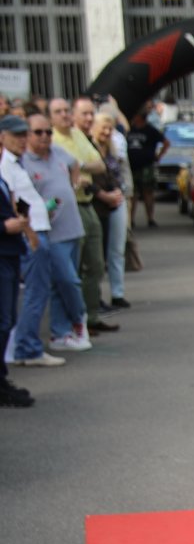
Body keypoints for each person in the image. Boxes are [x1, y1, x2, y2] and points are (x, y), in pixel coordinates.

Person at [19, 110, 91, 359]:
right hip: (50, 231)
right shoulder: (23, 162)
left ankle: (60, 334)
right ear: (27, 135)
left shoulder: (58, 152)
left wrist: (72, 184)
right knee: (68, 281)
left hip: (72, 227)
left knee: (62, 284)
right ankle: (79, 317)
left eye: (48, 132)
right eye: (38, 132)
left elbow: (75, 164)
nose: (45, 136)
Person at [1, 113, 62, 369]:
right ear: (2, 137)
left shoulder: (17, 162)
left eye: (24, 134)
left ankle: (26, 346)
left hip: (35, 230)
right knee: (35, 294)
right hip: (29, 234)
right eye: (17, 135)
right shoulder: (6, 164)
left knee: (36, 293)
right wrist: (30, 233)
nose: (23, 140)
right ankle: (27, 347)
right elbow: (12, 205)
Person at [54, 98, 111, 336]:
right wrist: (79, 168)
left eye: (66, 110)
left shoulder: (77, 135)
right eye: (59, 111)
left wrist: (78, 165)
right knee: (73, 268)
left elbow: (100, 165)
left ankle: (91, 316)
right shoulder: (52, 139)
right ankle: (75, 321)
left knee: (96, 264)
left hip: (87, 204)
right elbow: (64, 172)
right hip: (69, 207)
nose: (64, 115)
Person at [0, 115, 38, 405]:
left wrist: (17, 220)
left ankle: (1, 379)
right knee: (3, 321)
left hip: (11, 253)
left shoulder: (6, 172)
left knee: (7, 319)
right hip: (3, 253)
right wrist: (5, 227)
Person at [88, 114, 129, 314]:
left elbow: (119, 173)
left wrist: (121, 192)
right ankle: (96, 298)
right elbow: (89, 180)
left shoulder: (112, 148)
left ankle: (117, 293)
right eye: (103, 128)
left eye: (109, 129)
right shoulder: (89, 148)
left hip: (118, 200)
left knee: (117, 250)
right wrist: (105, 196)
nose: (106, 132)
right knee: (98, 254)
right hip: (99, 204)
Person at [124, 108, 165, 229]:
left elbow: (166, 142)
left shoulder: (150, 130)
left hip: (146, 166)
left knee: (148, 192)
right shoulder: (129, 129)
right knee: (133, 194)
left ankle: (150, 218)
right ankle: (131, 219)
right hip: (132, 165)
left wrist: (159, 156)